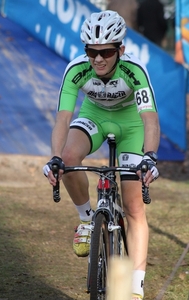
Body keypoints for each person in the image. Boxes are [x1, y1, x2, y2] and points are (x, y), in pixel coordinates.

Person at [43, 10, 160, 300]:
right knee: (69, 157)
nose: (98, 59)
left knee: (134, 206)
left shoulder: (134, 71)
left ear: (120, 49)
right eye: (91, 51)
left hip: (132, 126)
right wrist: (55, 157)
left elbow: (150, 120)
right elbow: (63, 118)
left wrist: (150, 156)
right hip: (94, 117)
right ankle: (86, 219)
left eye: (106, 51)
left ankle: (135, 287)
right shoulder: (76, 70)